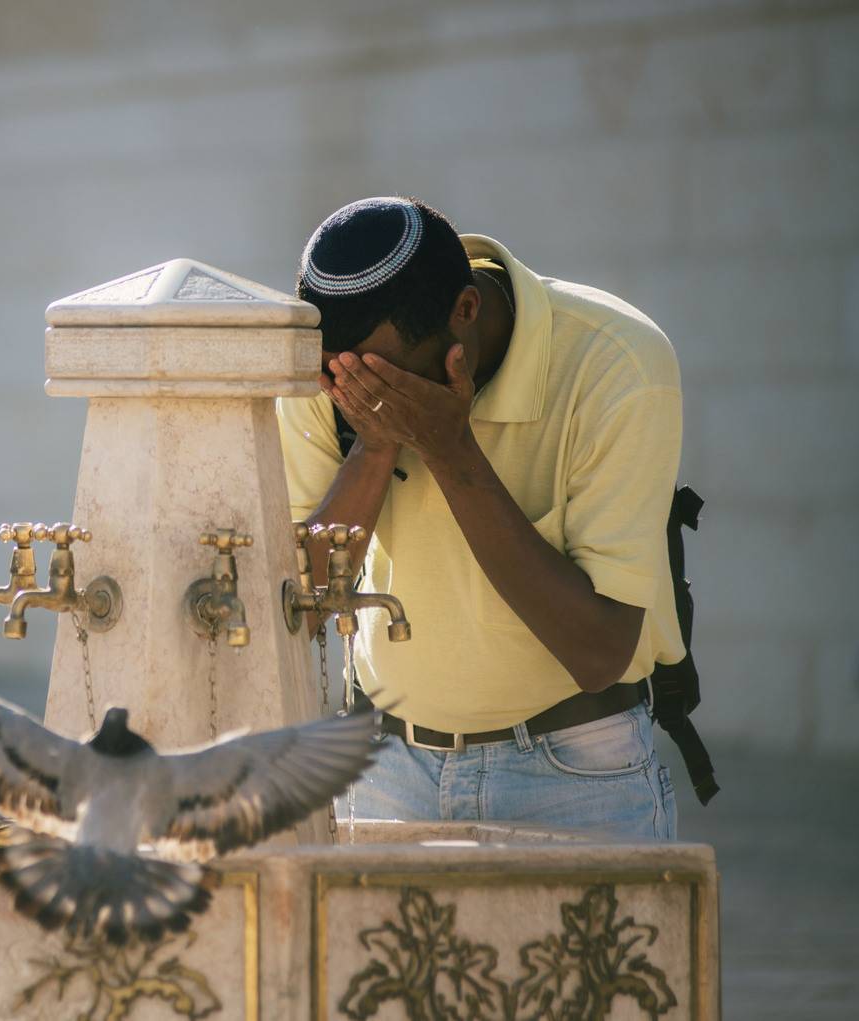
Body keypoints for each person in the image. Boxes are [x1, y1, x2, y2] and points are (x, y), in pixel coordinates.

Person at [277, 196, 682, 841]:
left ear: (465, 312)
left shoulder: (617, 364)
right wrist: (376, 445)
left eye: (379, 376)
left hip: (573, 775)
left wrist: (449, 447)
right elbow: (304, 598)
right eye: (340, 377)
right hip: (387, 771)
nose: (356, 393)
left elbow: (599, 651)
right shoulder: (325, 372)